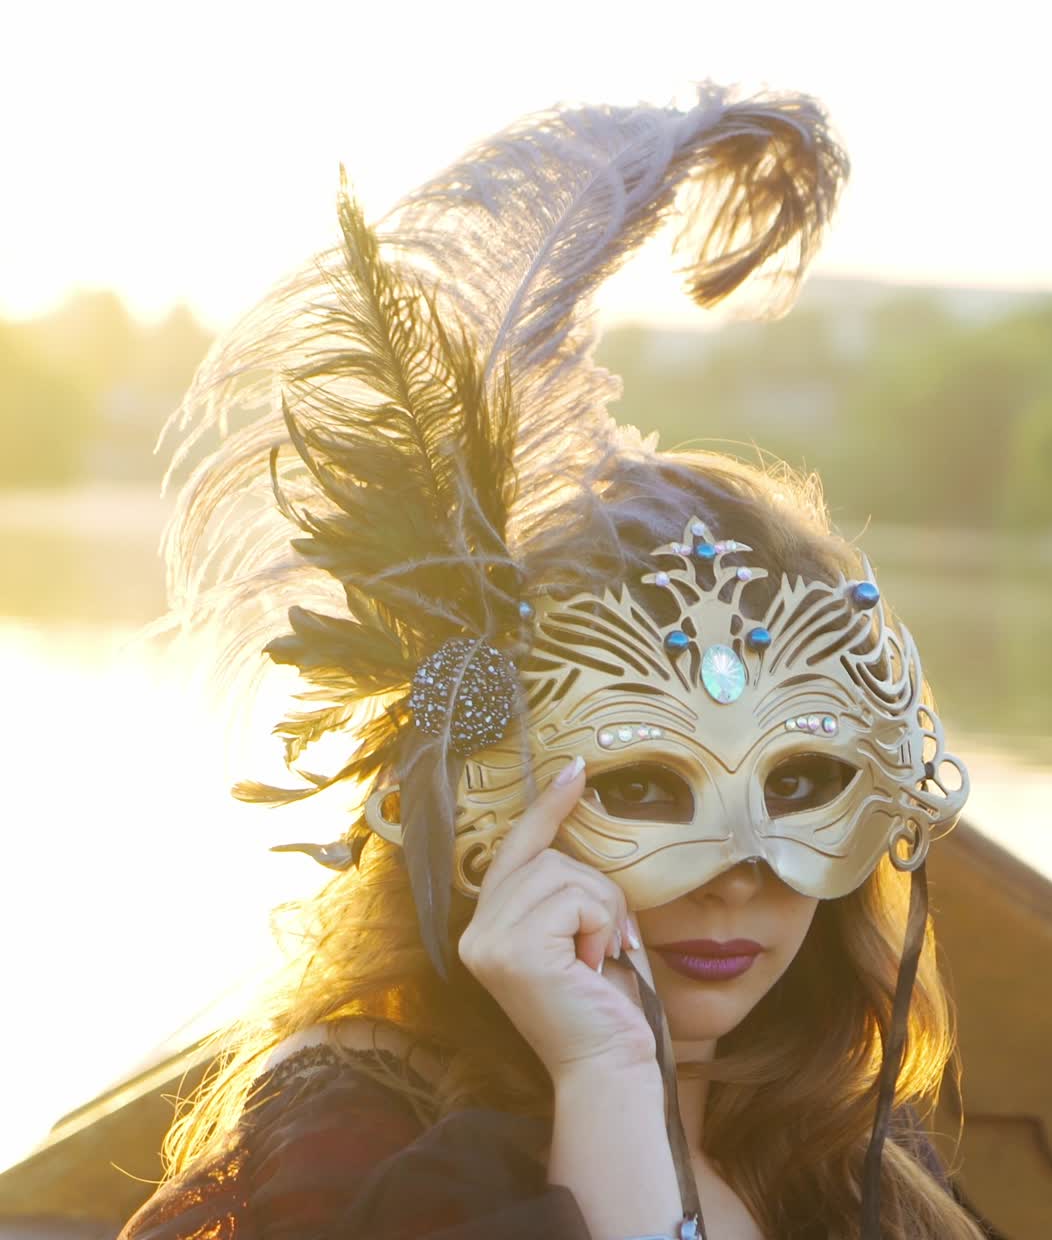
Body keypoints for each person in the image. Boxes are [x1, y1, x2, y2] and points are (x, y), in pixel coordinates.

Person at [121, 85, 985, 1240]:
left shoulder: (846, 1125)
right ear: (479, 801)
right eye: (635, 782)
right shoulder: (355, 1139)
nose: (736, 872)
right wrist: (604, 1073)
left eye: (799, 781)